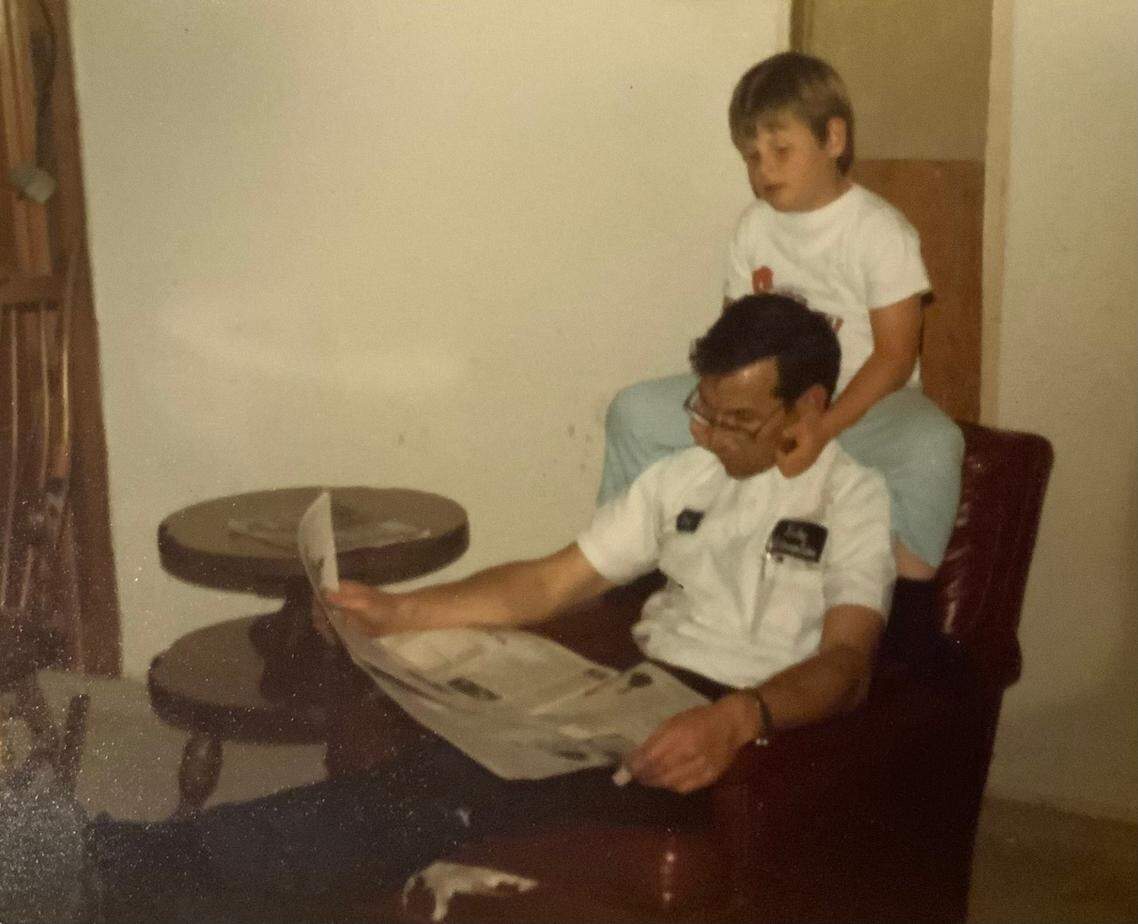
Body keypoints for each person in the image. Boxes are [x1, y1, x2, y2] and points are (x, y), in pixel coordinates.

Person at [1, 296, 894, 923]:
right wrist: (401, 612)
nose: (707, 434)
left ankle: (109, 866)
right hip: (623, 698)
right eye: (702, 409)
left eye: (733, 420)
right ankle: (118, 869)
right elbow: (549, 584)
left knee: (425, 799)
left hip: (722, 733)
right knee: (417, 767)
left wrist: (741, 718)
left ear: (806, 409)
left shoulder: (854, 504)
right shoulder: (684, 477)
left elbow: (848, 666)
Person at [598, 51, 964, 581]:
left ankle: (899, 562)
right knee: (633, 411)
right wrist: (714, 409)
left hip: (867, 404)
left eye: (780, 149)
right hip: (770, 403)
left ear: (833, 140)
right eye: (750, 156)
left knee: (935, 442)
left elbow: (895, 356)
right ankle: (623, 549)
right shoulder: (753, 228)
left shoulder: (880, 232)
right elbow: (735, 341)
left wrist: (825, 425)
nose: (763, 169)